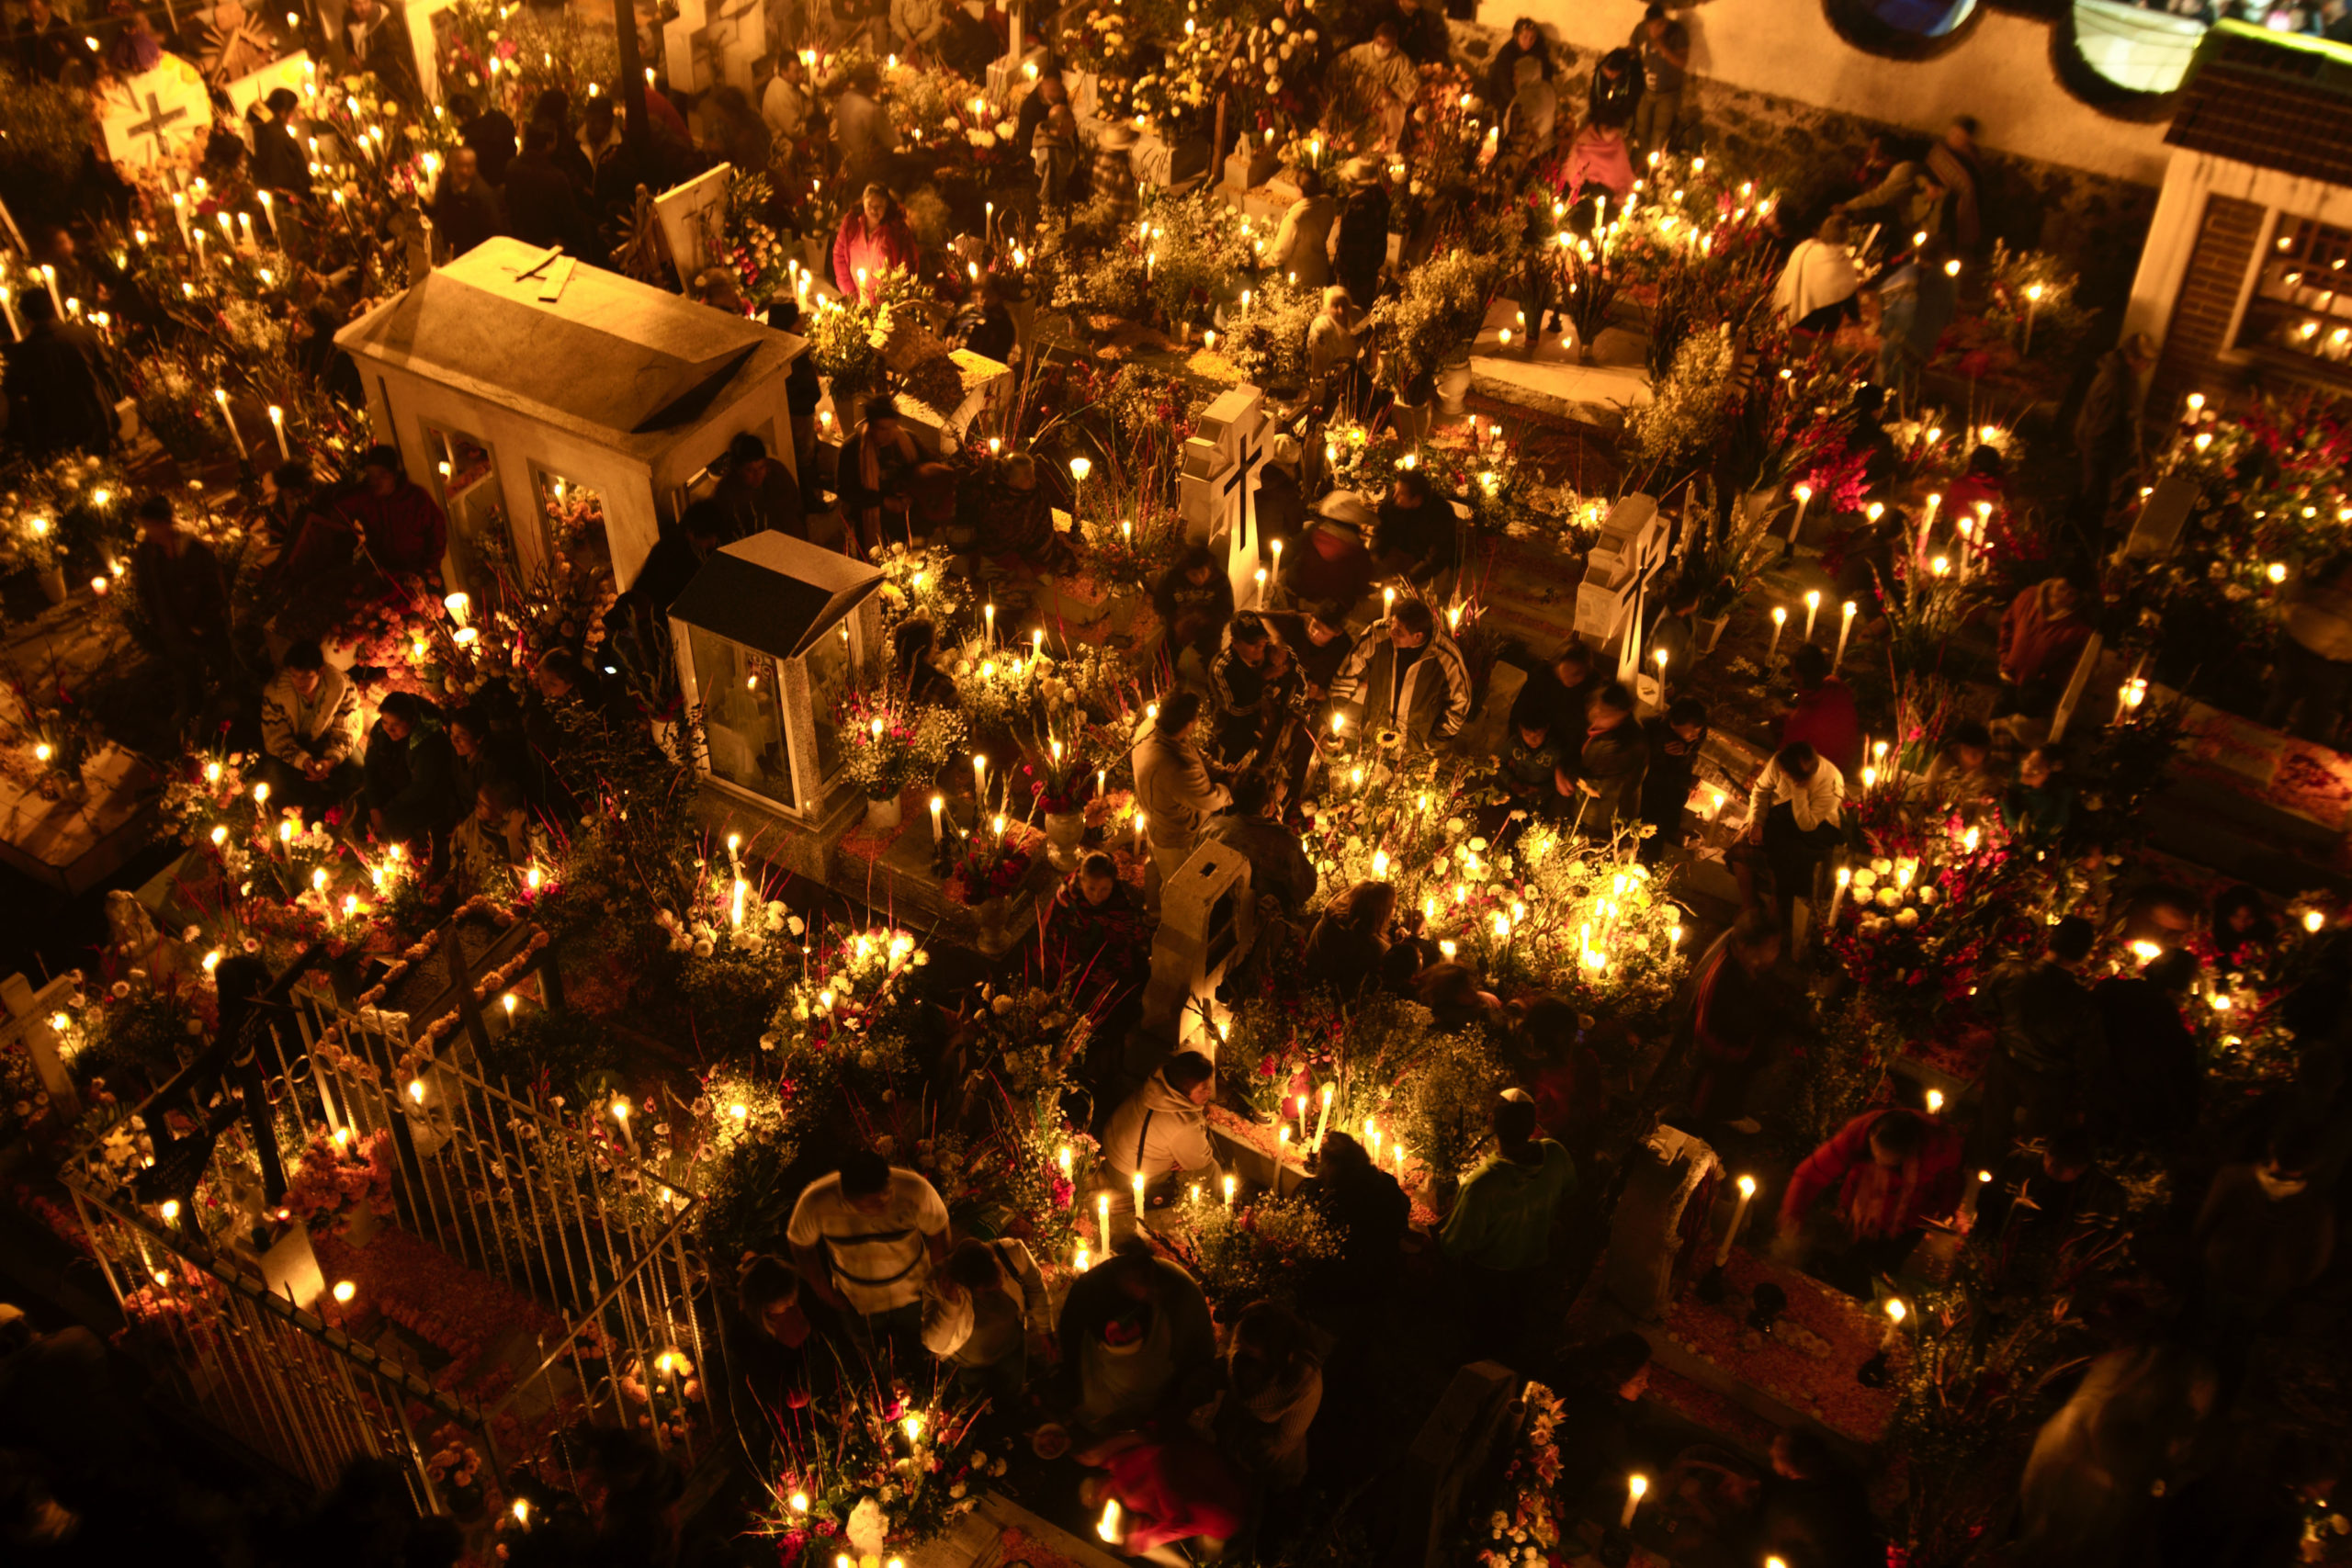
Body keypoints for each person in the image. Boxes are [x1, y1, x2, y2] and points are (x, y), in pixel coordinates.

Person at [1440, 1089, 1577, 1358]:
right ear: (1533, 1125)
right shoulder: (1556, 1154)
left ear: (1491, 1122)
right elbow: (1570, 1193)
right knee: (1517, 1322)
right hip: (1535, 1265)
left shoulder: (1482, 1184)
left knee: (1483, 1331)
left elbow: (1453, 1243)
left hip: (1488, 1277)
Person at [786, 1149, 952, 1363]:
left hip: (914, 1295)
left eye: (887, 1196)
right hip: (857, 1304)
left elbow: (939, 1232)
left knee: (924, 1352)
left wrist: (937, 1284)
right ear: (846, 1195)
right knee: (874, 1360)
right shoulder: (817, 1201)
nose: (883, 1206)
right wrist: (825, 1293)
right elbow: (800, 1245)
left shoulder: (914, 1190)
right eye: (873, 1204)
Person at [1781, 1107, 1962, 1293]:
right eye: (1877, 1156)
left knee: (1882, 1277)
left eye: (1891, 1162)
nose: (1881, 1163)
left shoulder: (1940, 1147)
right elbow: (1811, 1173)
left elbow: (1952, 1180)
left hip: (1909, 1222)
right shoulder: (1856, 1136)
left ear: (1910, 1153)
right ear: (1872, 1135)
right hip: (1862, 1218)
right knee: (1850, 1269)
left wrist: (1946, 1208)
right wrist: (1793, 1213)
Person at [1057, 1234, 1216, 1433]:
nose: (1154, 1290)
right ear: (1125, 1275)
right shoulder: (1089, 1291)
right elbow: (1070, 1338)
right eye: (1146, 1285)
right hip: (1108, 1390)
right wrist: (1074, 1387)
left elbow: (1200, 1352)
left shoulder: (1177, 1289)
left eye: (1155, 1285)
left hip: (1162, 1391)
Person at [1977, 916, 2105, 1161]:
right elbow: (2089, 1059)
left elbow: (1983, 1007)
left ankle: (1980, 1176)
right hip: (2048, 1082)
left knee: (1990, 1130)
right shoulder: (2084, 1005)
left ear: (2049, 940)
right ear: (2086, 955)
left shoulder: (2009, 972)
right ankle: (2017, 1187)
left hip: (2004, 1063)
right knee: (2032, 1148)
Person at [2193, 1118, 2335, 1329]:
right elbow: (2314, 1263)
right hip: (2268, 1286)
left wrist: (2201, 1252)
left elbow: (2205, 1224)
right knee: (2244, 1327)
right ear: (2315, 1163)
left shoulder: (2232, 1179)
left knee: (2209, 1318)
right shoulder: (2317, 1212)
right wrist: (2289, 1280)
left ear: (2272, 1146)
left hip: (2221, 1270)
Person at [1678, 908, 1787, 1134]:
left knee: (1736, 1081)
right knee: (1710, 1094)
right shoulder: (1723, 981)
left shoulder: (1742, 961)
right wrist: (1738, 1053)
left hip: (1739, 1043)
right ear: (1748, 948)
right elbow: (1707, 1029)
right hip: (1721, 1053)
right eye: (1772, 948)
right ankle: (1704, 1125)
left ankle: (1728, 1109)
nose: (1776, 954)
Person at [131, 496, 231, 737]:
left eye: (151, 526)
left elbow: (216, 591)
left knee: (221, 665)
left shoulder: (196, 552)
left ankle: (226, 708)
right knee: (183, 670)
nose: (147, 532)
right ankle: (190, 712)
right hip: (171, 627)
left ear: (166, 523)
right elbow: (145, 588)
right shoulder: (147, 552)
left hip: (204, 626)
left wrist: (201, 625)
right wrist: (155, 621)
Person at [2092, 947, 2200, 1158]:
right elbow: (2181, 1084)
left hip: (2087, 1090)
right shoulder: (2170, 1029)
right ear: (2178, 988)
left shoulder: (2109, 991)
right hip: (2127, 1115)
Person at [1078, 1429, 1247, 1563]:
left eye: (1095, 1493)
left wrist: (1141, 1541)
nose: (1098, 1499)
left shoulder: (1128, 1467)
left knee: (1217, 1541)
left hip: (1220, 1506)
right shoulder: (1124, 1484)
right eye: (1094, 1501)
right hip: (1204, 1498)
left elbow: (1177, 1518)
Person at [922, 1235, 1049, 1406]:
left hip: (1012, 1351)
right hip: (969, 1367)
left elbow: (1036, 1287)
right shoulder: (939, 1284)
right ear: (970, 1285)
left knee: (1011, 1401)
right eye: (988, 1287)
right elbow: (935, 1344)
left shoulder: (1011, 1253)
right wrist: (951, 1304)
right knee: (975, 1408)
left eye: (997, 1275)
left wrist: (1045, 1329)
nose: (999, 1283)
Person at [1215, 1302, 1323, 1496]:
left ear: (1275, 1354)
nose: (1239, 1355)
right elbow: (1230, 1361)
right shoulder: (1245, 1336)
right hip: (1235, 1439)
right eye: (1240, 1345)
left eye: (1250, 1354)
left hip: (1268, 1462)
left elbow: (1281, 1446)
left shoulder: (1303, 1382)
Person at [1331, 598, 1472, 748]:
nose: (1391, 633)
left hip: (1412, 746)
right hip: (1372, 736)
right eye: (1392, 623)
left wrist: (1434, 741)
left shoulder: (1446, 658)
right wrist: (1334, 713)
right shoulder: (1378, 635)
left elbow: (1460, 702)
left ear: (1418, 636)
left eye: (1399, 632)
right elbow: (1348, 672)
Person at [1132, 692, 1232, 895]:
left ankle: (1151, 909)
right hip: (1174, 836)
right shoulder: (1176, 767)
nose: (1197, 721)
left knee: (1156, 865)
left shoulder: (1151, 727)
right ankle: (1165, 919)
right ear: (1188, 723)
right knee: (1176, 885)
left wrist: (1219, 770)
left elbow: (1192, 750)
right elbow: (1209, 799)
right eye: (1195, 717)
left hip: (1156, 820)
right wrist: (1230, 789)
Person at [1742, 741, 1845, 928]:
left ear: (1801, 779)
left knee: (1789, 858)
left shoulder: (1831, 784)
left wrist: (1799, 790)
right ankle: (1749, 905)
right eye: (1780, 769)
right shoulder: (1779, 761)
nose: (1780, 773)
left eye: (1785, 774)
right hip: (1782, 815)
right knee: (1743, 844)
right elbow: (1761, 790)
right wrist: (1757, 822)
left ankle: (1779, 910)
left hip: (1817, 828)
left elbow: (1807, 824)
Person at [1104, 1050, 1223, 1210]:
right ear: (1183, 1091)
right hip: (1127, 1176)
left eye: (1208, 1085)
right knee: (1211, 1168)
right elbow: (1201, 1161)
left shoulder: (1156, 1087)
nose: (1209, 1092)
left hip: (1112, 1154)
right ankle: (1212, 1209)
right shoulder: (1185, 1124)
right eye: (1202, 1089)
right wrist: (1190, 1160)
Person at [1296, 1130, 1408, 1299]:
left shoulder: (1335, 1205)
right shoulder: (1386, 1182)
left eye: (1324, 1161)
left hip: (1348, 1287)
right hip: (1384, 1272)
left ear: (1334, 1169)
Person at [258, 642, 365, 817]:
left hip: (330, 741)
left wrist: (331, 760)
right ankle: (300, 814)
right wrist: (303, 761)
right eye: (294, 676)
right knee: (273, 773)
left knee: (358, 767)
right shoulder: (276, 693)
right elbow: (276, 738)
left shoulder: (343, 688)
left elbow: (347, 732)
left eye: (307, 677)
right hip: (295, 746)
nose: (300, 683)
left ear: (320, 672)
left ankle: (346, 815)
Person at [3, 290, 114, 456]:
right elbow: (107, 370)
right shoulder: (83, 334)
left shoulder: (22, 353)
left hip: (56, 433)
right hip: (95, 419)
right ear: (54, 309)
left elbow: (12, 390)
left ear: (26, 318)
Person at [2072, 333, 2154, 550]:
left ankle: (2081, 536)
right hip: (2101, 453)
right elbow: (2101, 428)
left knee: (2093, 497)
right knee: (2094, 500)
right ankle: (2081, 545)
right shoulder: (2114, 385)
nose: (2147, 367)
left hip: (2108, 452)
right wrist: (2106, 461)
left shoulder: (2125, 379)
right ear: (2133, 358)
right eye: (2145, 361)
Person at [2260, 552, 2352, 744]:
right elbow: (2295, 598)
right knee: (2283, 700)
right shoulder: (2319, 587)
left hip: (2332, 663)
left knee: (2316, 713)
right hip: (2300, 650)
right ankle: (2262, 743)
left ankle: (2299, 752)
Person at [362, 692, 467, 859]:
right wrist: (375, 807)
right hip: (394, 789)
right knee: (362, 803)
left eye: (396, 724)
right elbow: (370, 768)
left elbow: (422, 786)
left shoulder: (428, 740)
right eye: (384, 722)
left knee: (392, 823)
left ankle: (406, 861)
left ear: (412, 720)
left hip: (425, 798)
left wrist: (389, 806)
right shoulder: (380, 731)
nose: (389, 729)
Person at [1757, 1428, 1881, 1568]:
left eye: (1774, 1455)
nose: (1771, 1455)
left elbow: (1784, 1550)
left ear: (1789, 1464)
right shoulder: (1848, 1481)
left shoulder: (1787, 1505)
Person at [1205, 771, 1317, 912]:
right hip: (1254, 917)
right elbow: (1307, 887)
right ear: (1266, 803)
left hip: (1214, 909)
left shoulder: (1211, 826)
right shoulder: (1283, 842)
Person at [338, 445, 448, 583]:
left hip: (419, 572)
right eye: (371, 475)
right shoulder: (365, 497)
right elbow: (339, 507)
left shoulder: (416, 498)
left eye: (382, 474)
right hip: (386, 573)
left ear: (394, 475)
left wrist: (430, 568)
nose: (375, 481)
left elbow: (437, 531)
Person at [1997, 563, 2096, 717]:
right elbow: (2008, 624)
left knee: (2018, 730)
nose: (2063, 596)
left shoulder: (2078, 629)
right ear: (2052, 582)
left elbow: (2071, 665)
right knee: (1996, 721)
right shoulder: (2028, 598)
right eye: (2061, 588)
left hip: (2034, 695)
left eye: (2071, 594)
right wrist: (2005, 657)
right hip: (2009, 677)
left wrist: (2043, 683)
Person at [1045, 851, 1148, 993]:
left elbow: (1131, 933)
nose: (1096, 896)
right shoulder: (1066, 897)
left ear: (1113, 883)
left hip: (1107, 953)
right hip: (1075, 952)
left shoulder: (1121, 901)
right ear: (1081, 881)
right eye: (1091, 888)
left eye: (1104, 889)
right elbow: (1054, 930)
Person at [1873, 234, 1958, 400]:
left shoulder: (1908, 273)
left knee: (1883, 382)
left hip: (1896, 338)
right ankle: (1898, 412)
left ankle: (1878, 411)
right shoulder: (1948, 283)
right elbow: (1949, 315)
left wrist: (1888, 321)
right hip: (1922, 343)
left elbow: (1884, 294)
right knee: (1904, 385)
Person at [838, 397, 921, 556]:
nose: (889, 434)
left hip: (905, 521)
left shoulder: (907, 441)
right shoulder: (852, 449)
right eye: (883, 429)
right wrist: (882, 501)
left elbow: (922, 470)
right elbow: (844, 491)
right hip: (870, 524)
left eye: (892, 427)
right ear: (871, 426)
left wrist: (911, 493)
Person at [968, 451, 1067, 572]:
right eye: (1026, 476)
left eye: (1033, 474)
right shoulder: (996, 499)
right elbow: (991, 535)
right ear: (1010, 480)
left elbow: (1044, 526)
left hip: (1033, 547)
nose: (1032, 479)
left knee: (1041, 564)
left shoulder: (1038, 493)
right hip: (1002, 551)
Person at [1569, 681, 1646, 835]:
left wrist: (1567, 773)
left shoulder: (1627, 744)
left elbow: (1599, 784)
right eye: (1598, 708)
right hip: (1585, 807)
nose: (1596, 715)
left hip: (1604, 818)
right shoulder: (1603, 726)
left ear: (1623, 713)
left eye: (1605, 713)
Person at [1780, 642, 1862, 784]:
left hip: (1819, 775)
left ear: (1798, 674)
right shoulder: (1837, 687)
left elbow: (1787, 751)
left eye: (1792, 668)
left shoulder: (1803, 720)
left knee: (1756, 732)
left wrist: (1783, 720)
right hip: (1843, 762)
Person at [1638, 696, 1707, 863]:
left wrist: (1687, 751)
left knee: (1655, 844)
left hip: (1670, 801)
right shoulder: (1655, 734)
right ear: (1674, 724)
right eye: (1691, 732)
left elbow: (1693, 750)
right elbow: (1655, 772)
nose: (1695, 737)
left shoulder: (1692, 738)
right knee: (1643, 839)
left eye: (1697, 733)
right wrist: (1685, 779)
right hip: (1649, 797)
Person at [1304, 880, 1398, 997]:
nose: (1395, 911)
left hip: (1308, 976)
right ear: (1380, 912)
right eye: (1393, 907)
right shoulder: (1372, 948)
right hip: (1329, 997)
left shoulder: (1333, 913)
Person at [1334, 23, 1419, 151]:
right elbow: (1339, 68)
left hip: (1386, 116)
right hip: (1359, 110)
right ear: (1374, 39)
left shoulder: (1402, 62)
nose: (1381, 47)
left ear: (1394, 44)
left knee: (1383, 151)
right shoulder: (1358, 52)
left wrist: (1393, 90)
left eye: (1386, 45)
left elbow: (1413, 81)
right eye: (1379, 42)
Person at [1773, 213, 1860, 334]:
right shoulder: (1843, 263)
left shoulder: (1804, 250)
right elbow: (1849, 293)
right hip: (1824, 328)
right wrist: (1855, 318)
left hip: (1797, 320)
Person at [1152, 546, 1236, 671]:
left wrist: (1203, 618)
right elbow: (1161, 604)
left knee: (1213, 660)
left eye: (1203, 572)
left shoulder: (1220, 580)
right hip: (1179, 624)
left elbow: (1226, 610)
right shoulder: (1172, 577)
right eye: (1194, 574)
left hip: (1209, 624)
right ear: (1185, 572)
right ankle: (1166, 680)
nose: (1199, 579)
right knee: (1166, 654)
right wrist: (1175, 621)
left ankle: (1213, 682)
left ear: (1209, 567)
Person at [712, 432, 805, 541]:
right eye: (750, 470)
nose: (758, 475)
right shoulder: (727, 493)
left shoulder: (776, 473)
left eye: (761, 468)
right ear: (738, 469)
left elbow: (794, 506)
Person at [1370, 469, 1456, 587]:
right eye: (1396, 489)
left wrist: (1407, 580)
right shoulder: (1392, 501)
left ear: (1417, 499)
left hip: (1427, 561)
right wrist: (1374, 554)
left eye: (1401, 493)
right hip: (1401, 551)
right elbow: (1380, 532)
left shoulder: (1441, 513)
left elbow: (1437, 559)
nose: (1394, 495)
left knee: (1417, 595)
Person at [831, 182, 916, 301]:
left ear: (887, 205)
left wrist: (894, 298)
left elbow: (906, 268)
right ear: (863, 202)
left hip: (886, 305)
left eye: (879, 206)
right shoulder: (852, 224)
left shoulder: (897, 231)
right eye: (870, 204)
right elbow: (839, 255)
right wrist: (850, 294)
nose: (873, 210)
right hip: (857, 300)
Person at [1629, 3, 1690, 159]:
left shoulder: (1677, 32)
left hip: (1668, 92)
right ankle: (1644, 161)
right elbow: (1631, 49)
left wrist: (1662, 46)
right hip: (1646, 89)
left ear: (1664, 22)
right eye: (1650, 27)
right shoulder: (1641, 28)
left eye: (1657, 26)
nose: (1653, 31)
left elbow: (1681, 63)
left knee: (1660, 131)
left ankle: (1655, 165)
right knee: (1641, 127)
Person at [1918, 719, 2002, 826]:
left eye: (1978, 752)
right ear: (1959, 747)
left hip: (1971, 827)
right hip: (1939, 821)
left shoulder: (1989, 771)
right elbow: (1929, 787)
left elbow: (1987, 806)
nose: (1972, 756)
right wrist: (1932, 814)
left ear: (1985, 750)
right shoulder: (1945, 761)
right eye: (1967, 751)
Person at [831, 64, 901, 189]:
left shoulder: (844, 99)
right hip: (867, 169)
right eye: (875, 82)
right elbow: (894, 143)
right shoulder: (872, 109)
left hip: (846, 166)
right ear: (869, 83)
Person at [1512, 642, 1600, 740]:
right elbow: (1522, 705)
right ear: (1557, 664)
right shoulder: (1542, 674)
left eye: (1577, 674)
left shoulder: (1592, 683)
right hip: (1541, 732)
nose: (1570, 678)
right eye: (1566, 670)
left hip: (1570, 737)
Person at [1331, 161, 1389, 310]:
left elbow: (1348, 247)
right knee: (1364, 306)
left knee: (1349, 310)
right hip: (1371, 267)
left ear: (1352, 182)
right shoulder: (1379, 196)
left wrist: (1338, 268)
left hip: (1354, 273)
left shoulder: (1357, 207)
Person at [1268, 168, 1338, 291]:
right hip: (1320, 268)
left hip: (1300, 274)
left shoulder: (1295, 218)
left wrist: (1266, 261)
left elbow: (1280, 252)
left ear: (1299, 190)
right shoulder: (1328, 203)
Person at [1925, 115, 1983, 254]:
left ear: (1967, 140)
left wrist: (1943, 194)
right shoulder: (1938, 152)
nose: (1953, 138)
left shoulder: (1971, 160)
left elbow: (1969, 190)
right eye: (1952, 133)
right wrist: (1927, 186)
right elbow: (1924, 172)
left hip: (1952, 210)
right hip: (1926, 200)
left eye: (1959, 137)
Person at [1999, 744, 2074, 847]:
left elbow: (2024, 836)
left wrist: (2005, 803)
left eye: (2035, 767)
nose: (2027, 768)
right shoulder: (2020, 778)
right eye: (2028, 761)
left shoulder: (2053, 807)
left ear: (2049, 775)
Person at [1498, 710, 1571, 815]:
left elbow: (1560, 779)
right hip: (1516, 791)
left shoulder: (1555, 751)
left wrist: (1541, 789)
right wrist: (1511, 782)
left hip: (1543, 797)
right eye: (1527, 735)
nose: (1532, 740)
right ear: (1520, 728)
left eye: (1538, 735)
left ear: (1546, 728)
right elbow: (1499, 763)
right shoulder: (1514, 744)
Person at [1501, 53, 1559, 173]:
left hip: (1525, 155)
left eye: (1517, 75)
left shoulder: (1523, 99)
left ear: (1526, 75)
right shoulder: (1547, 88)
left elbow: (1514, 131)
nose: (1514, 79)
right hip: (1546, 150)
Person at [1485, 16, 1555, 107]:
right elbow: (1504, 83)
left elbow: (1545, 74)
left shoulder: (1538, 50)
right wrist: (1519, 103)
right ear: (1517, 36)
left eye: (1532, 38)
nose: (1528, 42)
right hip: (1505, 97)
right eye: (1525, 37)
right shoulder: (1507, 53)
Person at [1032, 76, 1080, 206]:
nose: (1075, 123)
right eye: (1071, 121)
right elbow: (1050, 195)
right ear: (1060, 126)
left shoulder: (1059, 138)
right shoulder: (1052, 156)